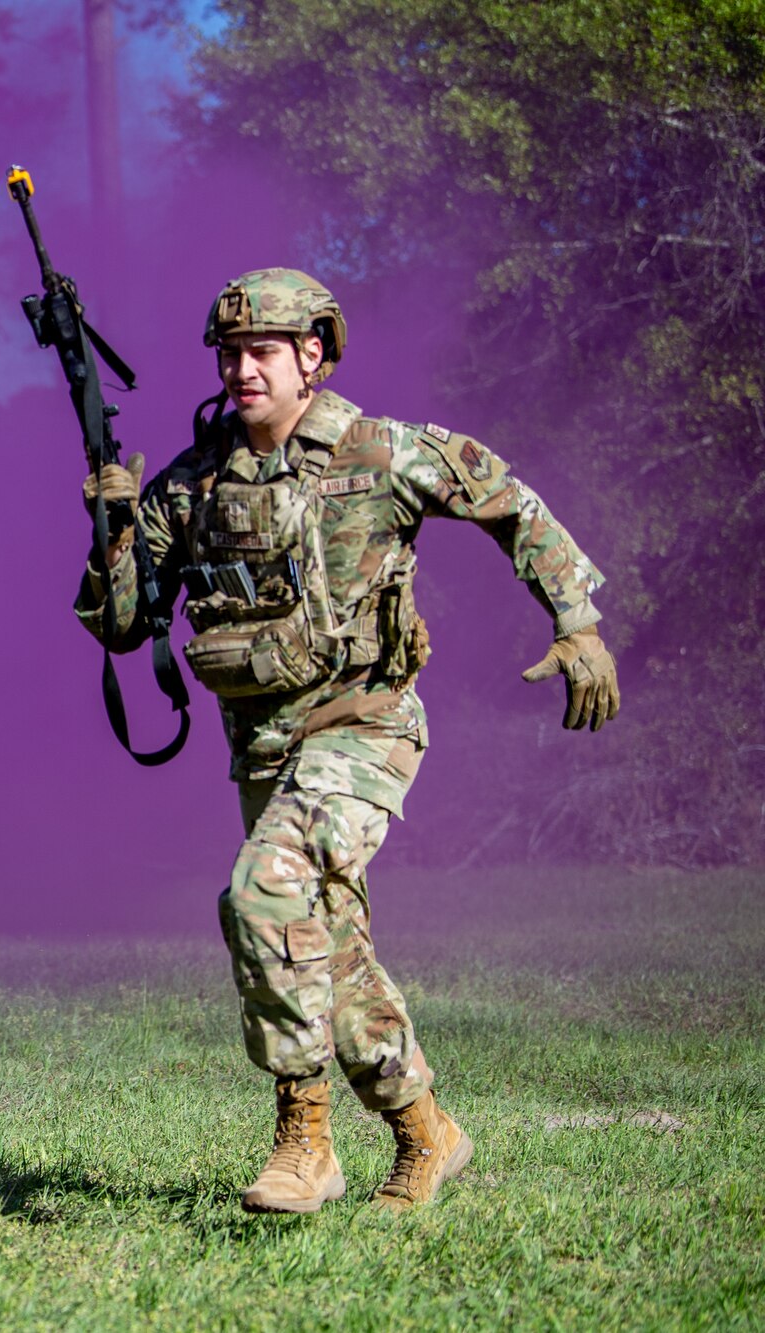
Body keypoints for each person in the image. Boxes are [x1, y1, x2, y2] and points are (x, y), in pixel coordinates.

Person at [80, 269, 618, 1213]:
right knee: (326, 948)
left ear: (313, 357)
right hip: (263, 749)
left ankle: (306, 1139)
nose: (242, 368)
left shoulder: (383, 453)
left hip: (366, 729)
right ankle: (426, 1132)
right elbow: (127, 628)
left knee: (263, 894)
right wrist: (114, 528)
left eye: (264, 351)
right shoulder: (191, 483)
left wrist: (576, 620)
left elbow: (509, 501)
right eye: (230, 353)